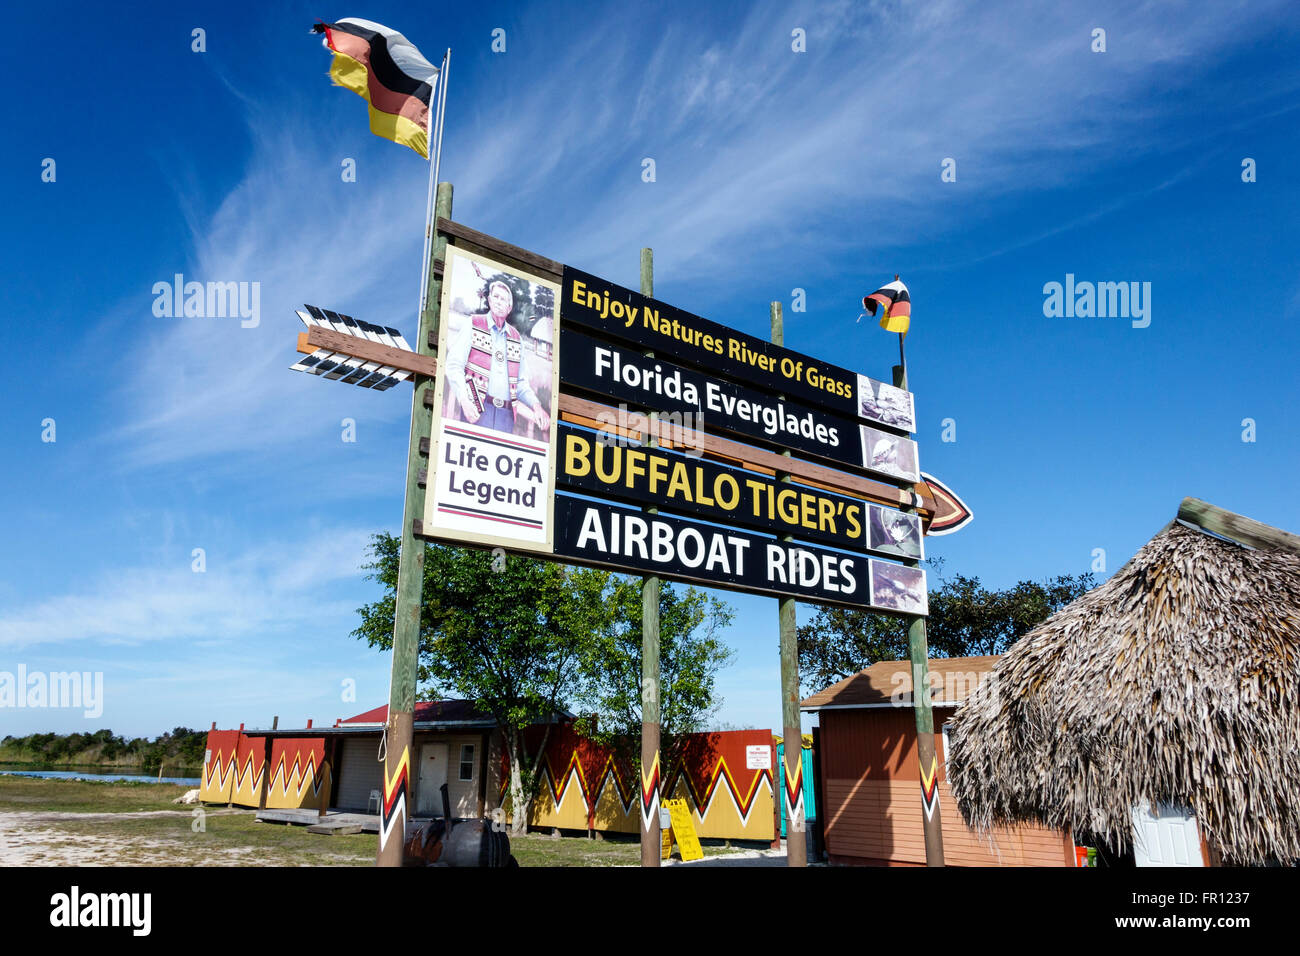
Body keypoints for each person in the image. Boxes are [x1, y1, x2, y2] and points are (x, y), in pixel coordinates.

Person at [445, 279, 550, 435]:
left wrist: (536, 406)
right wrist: (464, 400)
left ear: (509, 307)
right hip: (477, 408)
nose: (498, 302)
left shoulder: (516, 338)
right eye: (496, 297)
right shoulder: (473, 323)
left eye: (503, 299)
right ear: (489, 300)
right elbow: (454, 365)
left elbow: (521, 383)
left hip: (506, 416)